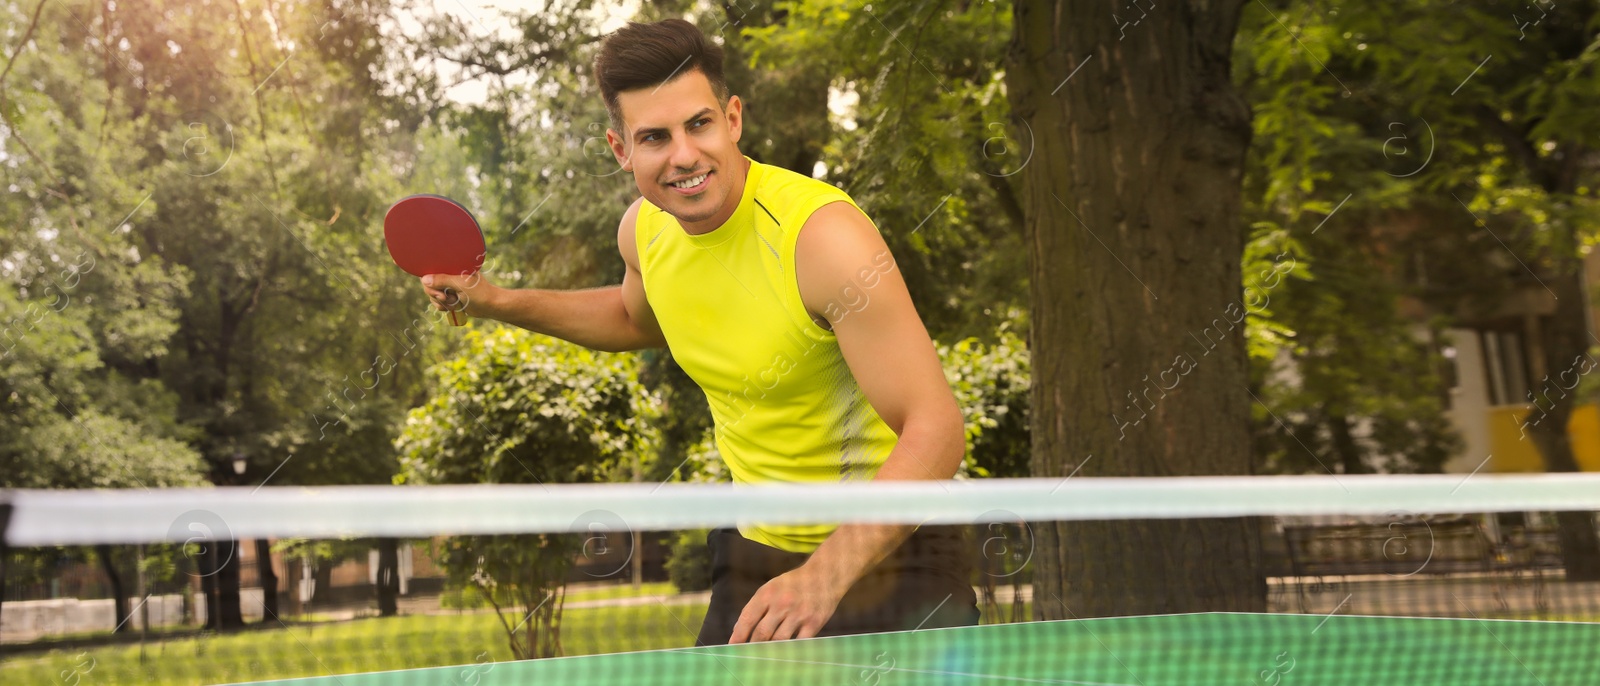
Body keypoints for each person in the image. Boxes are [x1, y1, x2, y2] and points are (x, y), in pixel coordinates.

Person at [418, 18, 977, 645]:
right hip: (757, 555)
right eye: (654, 137)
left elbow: (935, 428)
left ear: (732, 119)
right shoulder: (644, 233)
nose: (683, 155)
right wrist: (495, 300)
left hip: (896, 557)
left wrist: (825, 576)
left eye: (699, 124)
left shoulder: (823, 240)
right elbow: (635, 319)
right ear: (620, 149)